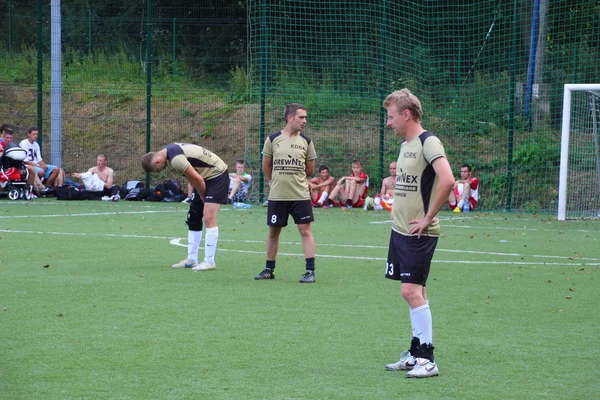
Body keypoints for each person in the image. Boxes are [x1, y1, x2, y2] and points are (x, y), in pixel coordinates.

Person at [382, 89, 454, 378]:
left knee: (410, 291)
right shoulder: (405, 145)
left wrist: (428, 217)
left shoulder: (428, 141)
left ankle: (428, 358)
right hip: (400, 231)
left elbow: (447, 179)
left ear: (406, 114)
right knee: (414, 292)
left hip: (418, 234)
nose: (388, 123)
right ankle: (415, 353)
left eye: (391, 116)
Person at [254, 103, 318, 283]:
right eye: (301, 117)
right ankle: (269, 269)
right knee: (273, 232)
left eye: (305, 117)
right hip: (277, 195)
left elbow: (310, 169)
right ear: (290, 118)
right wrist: (273, 181)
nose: (305, 121)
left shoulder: (306, 141)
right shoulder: (273, 139)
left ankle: (310, 271)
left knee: (305, 231)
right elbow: (266, 165)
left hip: (300, 195)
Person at [142, 143, 228, 272]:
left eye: (157, 169)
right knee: (193, 217)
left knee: (209, 217)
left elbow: (198, 179)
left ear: (157, 161)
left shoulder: (175, 159)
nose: (159, 171)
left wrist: (204, 198)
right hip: (204, 177)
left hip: (217, 176)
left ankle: (209, 261)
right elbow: (192, 176)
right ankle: (192, 259)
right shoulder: (169, 153)